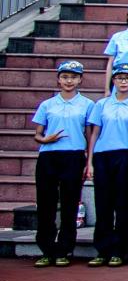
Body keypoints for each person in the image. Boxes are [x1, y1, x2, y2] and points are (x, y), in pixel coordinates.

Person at [30, 61, 94, 267]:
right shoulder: (47, 105)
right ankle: (46, 249)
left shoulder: (87, 104)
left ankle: (64, 250)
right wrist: (45, 139)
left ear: (80, 79)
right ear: (58, 79)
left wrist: (89, 162)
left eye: (74, 77)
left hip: (74, 156)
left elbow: (89, 135)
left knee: (70, 203)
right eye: (65, 77)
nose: (69, 81)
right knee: (46, 203)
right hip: (49, 156)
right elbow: (38, 134)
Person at [84, 64, 128, 267]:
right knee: (103, 203)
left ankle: (118, 250)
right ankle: (102, 250)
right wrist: (90, 162)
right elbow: (95, 134)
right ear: (113, 80)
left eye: (127, 78)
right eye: (119, 77)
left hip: (127, 155)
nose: (123, 81)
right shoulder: (102, 104)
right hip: (103, 155)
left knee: (123, 203)